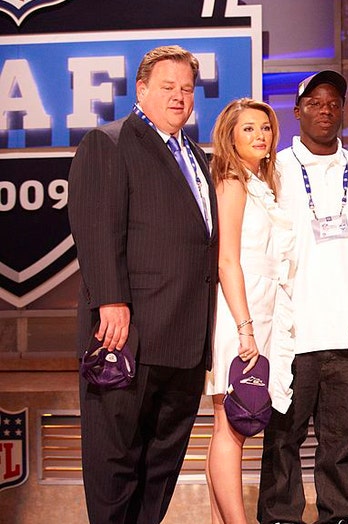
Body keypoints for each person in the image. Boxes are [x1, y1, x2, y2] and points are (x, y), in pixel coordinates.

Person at [68, 45, 218, 524]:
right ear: (141, 89)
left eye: (187, 89)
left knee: (160, 467)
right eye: (168, 87)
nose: (179, 97)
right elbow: (97, 228)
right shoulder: (109, 142)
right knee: (116, 463)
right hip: (128, 337)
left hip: (184, 342)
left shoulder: (195, 155)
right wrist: (111, 300)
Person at [257, 70, 348, 524]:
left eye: (333, 103)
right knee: (283, 439)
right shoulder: (273, 170)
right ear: (297, 111)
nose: (325, 110)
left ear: (343, 111)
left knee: (344, 441)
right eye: (314, 103)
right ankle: (280, 517)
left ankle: (341, 515)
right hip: (292, 329)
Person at [204, 98, 295, 524]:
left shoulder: (262, 183)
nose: (261, 135)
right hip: (238, 312)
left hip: (262, 309)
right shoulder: (231, 181)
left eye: (265, 128)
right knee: (232, 423)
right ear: (230, 136)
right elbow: (227, 261)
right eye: (249, 129)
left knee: (229, 424)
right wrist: (244, 327)